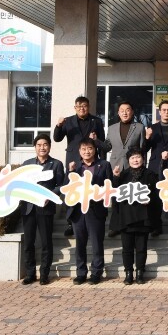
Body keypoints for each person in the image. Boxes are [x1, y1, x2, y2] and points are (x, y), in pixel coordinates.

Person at [53, 95, 106, 237]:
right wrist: (58, 126)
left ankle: (90, 219)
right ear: (75, 108)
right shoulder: (68, 121)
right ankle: (71, 222)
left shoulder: (96, 121)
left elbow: (102, 142)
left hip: (91, 161)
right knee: (72, 189)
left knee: (90, 188)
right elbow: (57, 138)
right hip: (74, 161)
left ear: (88, 107)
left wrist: (101, 159)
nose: (82, 109)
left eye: (84, 106)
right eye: (79, 106)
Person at [20, 134, 66, 286]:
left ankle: (44, 274)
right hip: (28, 208)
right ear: (35, 147)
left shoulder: (56, 164)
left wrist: (49, 195)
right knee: (29, 243)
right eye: (39, 145)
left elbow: (60, 185)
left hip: (45, 208)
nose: (42, 147)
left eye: (45, 144)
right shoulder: (27, 164)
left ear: (50, 147)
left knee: (46, 242)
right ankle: (30, 273)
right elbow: (20, 183)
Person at [67, 138, 113, 285]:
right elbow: (66, 188)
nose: (87, 152)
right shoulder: (75, 167)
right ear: (79, 151)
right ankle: (81, 273)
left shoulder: (104, 165)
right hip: (78, 211)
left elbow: (110, 185)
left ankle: (96, 272)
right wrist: (70, 172)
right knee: (80, 244)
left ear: (95, 150)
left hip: (95, 209)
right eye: (84, 149)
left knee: (96, 243)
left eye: (90, 148)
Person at [111, 148, 159, 285]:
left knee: (141, 248)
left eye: (138, 157)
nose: (135, 160)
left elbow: (156, 195)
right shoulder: (123, 175)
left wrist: (149, 200)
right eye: (132, 158)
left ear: (143, 158)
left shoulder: (150, 174)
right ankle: (128, 273)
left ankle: (140, 273)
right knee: (127, 249)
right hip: (126, 217)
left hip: (143, 217)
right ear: (128, 160)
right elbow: (115, 194)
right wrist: (115, 177)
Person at [103, 100, 145, 238]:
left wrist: (142, 167)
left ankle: (131, 223)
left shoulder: (139, 127)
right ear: (118, 113)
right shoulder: (112, 128)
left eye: (128, 110)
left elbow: (142, 149)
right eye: (122, 110)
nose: (125, 113)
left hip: (133, 167)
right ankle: (115, 226)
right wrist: (96, 141)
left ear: (132, 112)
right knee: (116, 197)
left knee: (131, 197)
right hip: (115, 167)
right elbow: (107, 146)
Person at [143, 100, 168, 236]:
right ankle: (156, 227)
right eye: (164, 110)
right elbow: (144, 149)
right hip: (155, 167)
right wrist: (147, 137)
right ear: (159, 112)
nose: (166, 112)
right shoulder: (152, 128)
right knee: (155, 198)